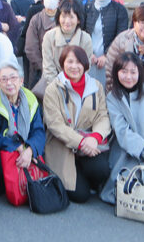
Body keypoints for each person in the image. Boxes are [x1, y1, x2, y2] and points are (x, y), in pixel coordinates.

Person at [100, 53, 144, 204]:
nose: (128, 76)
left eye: (133, 72)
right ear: (116, 73)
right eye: (124, 71)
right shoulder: (113, 97)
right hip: (126, 151)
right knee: (125, 186)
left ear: (140, 72)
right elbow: (122, 131)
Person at [42, 45, 111, 203]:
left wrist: (95, 137)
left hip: (90, 142)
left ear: (85, 65)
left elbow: (102, 116)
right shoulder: (53, 89)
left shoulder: (96, 86)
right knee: (81, 196)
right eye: (70, 62)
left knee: (102, 169)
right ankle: (77, 176)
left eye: (78, 62)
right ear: (62, 63)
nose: (74, 66)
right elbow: (55, 124)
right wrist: (81, 142)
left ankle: (86, 175)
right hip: (63, 144)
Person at [0, 63, 46, 194]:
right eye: (4, 79)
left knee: (36, 158)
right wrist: (15, 146)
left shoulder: (30, 100)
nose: (9, 83)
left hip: (26, 146)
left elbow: (38, 131)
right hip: (1, 150)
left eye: (13, 78)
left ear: (21, 81)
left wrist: (30, 150)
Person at [83, 0, 129, 84]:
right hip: (89, 59)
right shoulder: (87, 8)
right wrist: (89, 53)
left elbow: (121, 36)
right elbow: (82, 32)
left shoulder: (119, 10)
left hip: (111, 60)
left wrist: (106, 55)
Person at [40, 0, 93, 86]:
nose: (67, 21)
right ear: (58, 17)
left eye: (71, 17)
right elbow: (48, 68)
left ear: (78, 19)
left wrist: (73, 87)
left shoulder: (86, 38)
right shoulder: (49, 36)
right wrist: (58, 88)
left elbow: (86, 67)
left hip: (77, 85)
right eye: (64, 16)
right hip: (53, 85)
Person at [23, 0, 62, 87]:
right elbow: (31, 48)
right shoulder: (36, 19)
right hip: (39, 71)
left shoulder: (64, 19)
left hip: (62, 71)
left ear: (59, 2)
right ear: (43, 0)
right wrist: (44, 67)